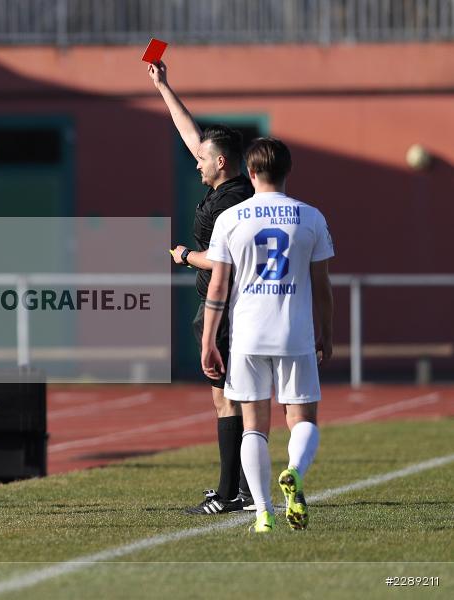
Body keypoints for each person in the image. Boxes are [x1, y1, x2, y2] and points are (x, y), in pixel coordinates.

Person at [201, 137, 334, 533]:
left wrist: (209, 339)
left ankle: (262, 513)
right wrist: (326, 332)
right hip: (294, 331)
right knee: (303, 418)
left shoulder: (231, 219)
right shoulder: (311, 217)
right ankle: (293, 471)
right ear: (287, 171)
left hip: (247, 335)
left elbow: (218, 286)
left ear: (252, 172)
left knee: (253, 426)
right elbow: (322, 285)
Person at [148, 60, 253, 514]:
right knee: (231, 396)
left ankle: (231, 492)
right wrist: (164, 86)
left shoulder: (233, 200)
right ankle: (245, 489)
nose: (196, 162)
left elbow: (226, 259)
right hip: (219, 301)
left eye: (204, 159)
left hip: (225, 303)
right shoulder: (225, 185)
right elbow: (191, 135)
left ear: (222, 162)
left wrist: (185, 256)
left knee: (228, 398)